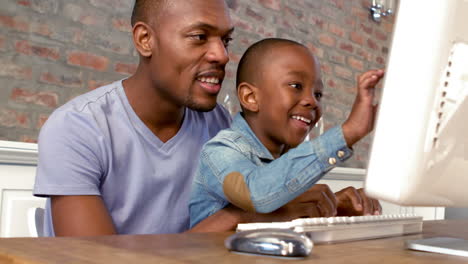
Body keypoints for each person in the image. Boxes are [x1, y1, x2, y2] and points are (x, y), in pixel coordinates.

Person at [33, 0, 380, 237]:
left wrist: (326, 204)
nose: (221, 54)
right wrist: (240, 217)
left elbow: (260, 196)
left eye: (225, 40)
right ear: (144, 39)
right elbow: (96, 259)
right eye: (200, 37)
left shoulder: (218, 124)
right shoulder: (76, 128)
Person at [189, 38, 384, 228]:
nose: (312, 101)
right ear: (250, 97)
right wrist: (348, 132)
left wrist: (333, 205)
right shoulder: (221, 150)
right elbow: (256, 193)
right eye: (296, 86)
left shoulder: (286, 162)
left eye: (318, 94)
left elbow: (281, 212)